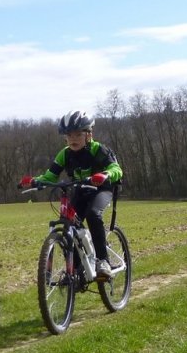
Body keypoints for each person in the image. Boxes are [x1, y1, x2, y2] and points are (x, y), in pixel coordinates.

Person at [19, 110, 123, 280]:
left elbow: (116, 169)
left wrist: (105, 175)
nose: (73, 139)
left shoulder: (98, 150)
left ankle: (103, 261)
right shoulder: (65, 154)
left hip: (101, 190)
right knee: (69, 224)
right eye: (69, 135)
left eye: (78, 134)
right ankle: (75, 269)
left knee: (93, 215)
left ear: (88, 134)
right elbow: (50, 176)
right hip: (81, 191)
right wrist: (34, 181)